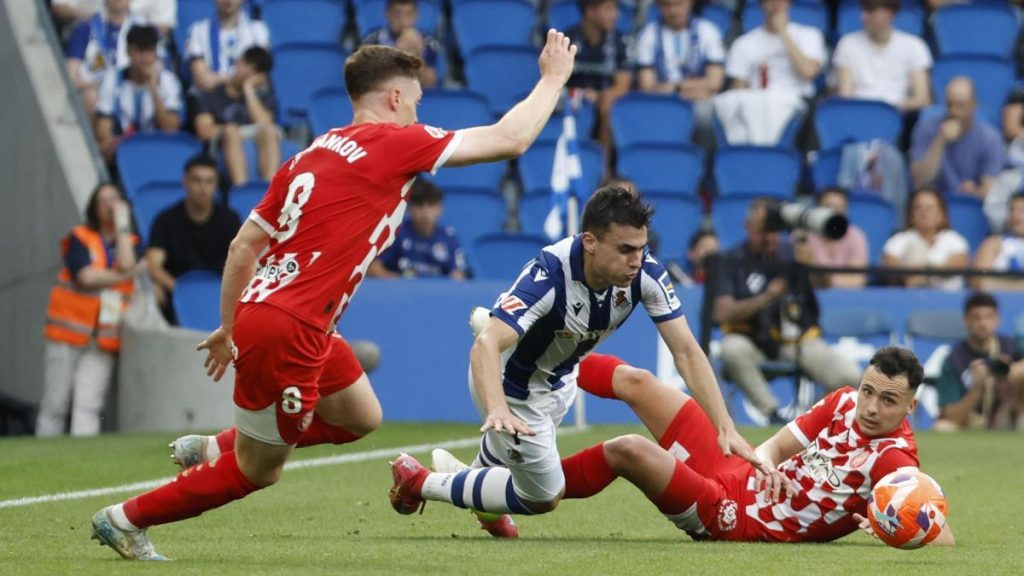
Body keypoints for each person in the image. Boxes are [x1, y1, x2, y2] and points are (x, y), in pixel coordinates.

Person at [89, 31, 579, 561]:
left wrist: (230, 325)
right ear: (394, 98)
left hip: (278, 313)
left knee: (360, 415)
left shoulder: (311, 153)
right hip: (293, 325)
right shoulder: (395, 143)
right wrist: (553, 78)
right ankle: (126, 519)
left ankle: (210, 446)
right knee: (259, 470)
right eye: (415, 99)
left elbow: (243, 246)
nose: (418, 111)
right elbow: (511, 139)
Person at [387, 186, 767, 537]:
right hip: (512, 387)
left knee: (507, 465)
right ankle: (419, 482)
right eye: (624, 250)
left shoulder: (646, 272)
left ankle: (480, 489)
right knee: (545, 495)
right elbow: (485, 345)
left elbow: (685, 350)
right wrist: (498, 408)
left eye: (641, 247)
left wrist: (726, 426)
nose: (637, 260)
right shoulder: (549, 275)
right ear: (590, 242)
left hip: (560, 377)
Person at [456, 346, 953, 544]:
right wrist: (765, 464)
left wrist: (897, 526)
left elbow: (934, 527)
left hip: (736, 518)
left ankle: (502, 489)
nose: (871, 406)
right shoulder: (843, 401)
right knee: (637, 380)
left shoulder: (893, 459)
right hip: (737, 472)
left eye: (888, 400)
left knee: (628, 449)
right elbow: (776, 447)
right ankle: (529, 357)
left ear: (910, 408)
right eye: (869, 390)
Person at [715, 198, 862, 424]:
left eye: (775, 231)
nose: (769, 237)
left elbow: (825, 283)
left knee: (849, 375)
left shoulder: (792, 252)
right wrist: (767, 297)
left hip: (798, 341)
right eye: (764, 230)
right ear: (748, 227)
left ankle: (814, 424)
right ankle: (773, 414)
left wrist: (810, 261)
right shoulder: (732, 260)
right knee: (731, 348)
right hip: (753, 341)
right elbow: (722, 313)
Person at [37, 183, 142, 437]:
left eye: (115, 200)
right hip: (67, 332)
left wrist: (122, 226)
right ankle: (44, 454)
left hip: (103, 338)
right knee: (56, 403)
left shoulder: (131, 241)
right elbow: (85, 277)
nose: (110, 205)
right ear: (94, 208)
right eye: (104, 200)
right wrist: (123, 275)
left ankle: (80, 460)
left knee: (89, 405)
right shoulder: (80, 237)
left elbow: (127, 262)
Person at [145, 155, 241, 325]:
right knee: (154, 291)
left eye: (209, 181)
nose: (203, 188)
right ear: (185, 181)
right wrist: (181, 290)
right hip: (177, 289)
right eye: (197, 180)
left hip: (219, 293)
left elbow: (243, 263)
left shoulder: (230, 220)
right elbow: (153, 265)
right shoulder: (166, 220)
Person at [635, 0, 724, 150]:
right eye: (667, 5)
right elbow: (646, 86)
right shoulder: (648, 35)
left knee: (705, 116)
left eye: (679, 4)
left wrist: (676, 87)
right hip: (663, 101)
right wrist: (683, 89)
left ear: (690, 3)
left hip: (698, 100)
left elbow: (715, 82)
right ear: (658, 6)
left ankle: (704, 168)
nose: (673, 11)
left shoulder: (708, 30)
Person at [934, 292, 1024, 431]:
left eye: (988, 317)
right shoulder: (954, 359)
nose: (983, 323)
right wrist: (977, 387)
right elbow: (951, 417)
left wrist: (1011, 372)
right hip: (972, 421)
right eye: (976, 317)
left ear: (997, 319)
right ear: (966, 320)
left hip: (1007, 417)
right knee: (942, 427)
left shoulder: (1011, 347)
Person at [94, 25, 183, 165]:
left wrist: (153, 87)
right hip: (123, 147)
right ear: (129, 51)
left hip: (156, 147)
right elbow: (102, 130)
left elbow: (170, 129)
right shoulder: (112, 79)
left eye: (150, 51)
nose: (146, 59)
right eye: (140, 51)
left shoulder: (168, 81)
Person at [193, 46, 280, 187]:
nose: (249, 73)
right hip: (222, 141)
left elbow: (264, 123)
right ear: (238, 62)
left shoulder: (264, 96)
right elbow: (204, 131)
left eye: (256, 71)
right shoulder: (212, 95)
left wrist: (248, 89)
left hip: (254, 133)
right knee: (231, 130)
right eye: (247, 66)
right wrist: (228, 130)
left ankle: (270, 189)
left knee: (269, 131)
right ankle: (241, 190)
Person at [910, 76, 1003, 199]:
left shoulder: (990, 138)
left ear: (973, 105)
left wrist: (975, 192)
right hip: (934, 204)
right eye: (949, 104)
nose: (954, 111)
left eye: (961, 106)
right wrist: (940, 141)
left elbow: (989, 191)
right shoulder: (926, 129)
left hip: (969, 207)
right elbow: (920, 180)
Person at [833, 0, 931, 113]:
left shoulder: (915, 45)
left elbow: (923, 98)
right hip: (858, 113)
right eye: (864, 10)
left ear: (890, 13)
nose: (863, 16)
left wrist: (886, 110)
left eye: (871, 11)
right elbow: (845, 96)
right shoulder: (847, 43)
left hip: (898, 114)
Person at [367, 179, 468, 279]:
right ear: (409, 208)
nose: (425, 212)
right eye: (419, 206)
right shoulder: (396, 234)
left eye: (431, 205)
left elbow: (459, 276)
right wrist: (401, 284)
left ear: (439, 209)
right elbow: (373, 268)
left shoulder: (449, 238)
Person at [565, 0, 633, 149]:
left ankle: (604, 168)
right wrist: (578, 94)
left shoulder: (620, 42)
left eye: (616, 9)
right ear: (590, 11)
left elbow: (622, 86)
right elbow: (554, 81)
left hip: (604, 99)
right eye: (609, 9)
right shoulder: (566, 40)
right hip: (571, 99)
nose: (615, 15)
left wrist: (600, 96)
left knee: (608, 104)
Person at [724, 0, 825, 99]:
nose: (776, 3)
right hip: (758, 103)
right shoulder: (743, 43)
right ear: (761, 4)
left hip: (799, 103)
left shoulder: (810, 35)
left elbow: (808, 72)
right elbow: (738, 89)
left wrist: (782, 32)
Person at [881, 187, 968, 290]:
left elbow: (956, 266)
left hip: (947, 299)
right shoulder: (899, 239)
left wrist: (924, 270)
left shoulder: (954, 240)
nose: (924, 212)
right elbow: (890, 266)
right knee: (915, 249)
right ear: (911, 215)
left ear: (941, 214)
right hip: (907, 298)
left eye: (929, 208)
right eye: (918, 208)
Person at [64, 0, 140, 117]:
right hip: (94, 91)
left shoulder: (143, 31)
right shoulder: (86, 28)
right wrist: (97, 85)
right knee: (91, 96)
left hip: (129, 92)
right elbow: (71, 76)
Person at [185, 0, 271, 93]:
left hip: (248, 99)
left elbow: (260, 75)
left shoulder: (258, 31)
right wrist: (239, 79)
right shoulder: (198, 31)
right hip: (211, 102)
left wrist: (217, 79)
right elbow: (203, 81)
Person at [361, 0, 443, 88]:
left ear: (416, 15)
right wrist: (398, 55)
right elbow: (366, 80)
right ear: (387, 14)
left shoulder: (427, 41)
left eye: (408, 14)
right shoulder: (372, 40)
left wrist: (418, 56)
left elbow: (431, 81)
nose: (403, 20)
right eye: (397, 14)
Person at [804, 187, 869, 288]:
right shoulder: (804, 236)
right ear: (818, 209)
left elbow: (857, 280)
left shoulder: (856, 236)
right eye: (829, 207)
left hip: (846, 299)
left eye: (840, 208)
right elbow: (808, 279)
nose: (834, 213)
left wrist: (827, 281)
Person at [973, 191, 1024, 291]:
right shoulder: (993, 244)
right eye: (1012, 210)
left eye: (1022, 211)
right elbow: (978, 281)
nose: (1015, 216)